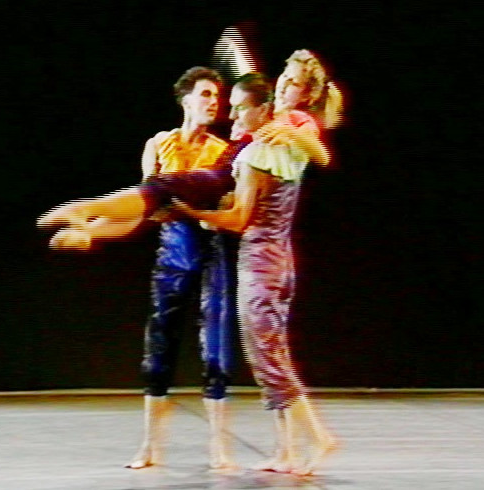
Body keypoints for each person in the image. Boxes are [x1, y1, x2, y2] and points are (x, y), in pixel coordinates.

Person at [38, 70, 338, 476]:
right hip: (181, 252)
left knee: (228, 354)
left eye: (223, 99)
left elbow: (238, 208)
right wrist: (95, 232)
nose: (218, 105)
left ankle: (242, 447)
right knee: (166, 348)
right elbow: (150, 210)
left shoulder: (241, 148)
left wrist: (287, 132)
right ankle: (164, 446)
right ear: (185, 100)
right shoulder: (169, 145)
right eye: (208, 96)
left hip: (224, 253)